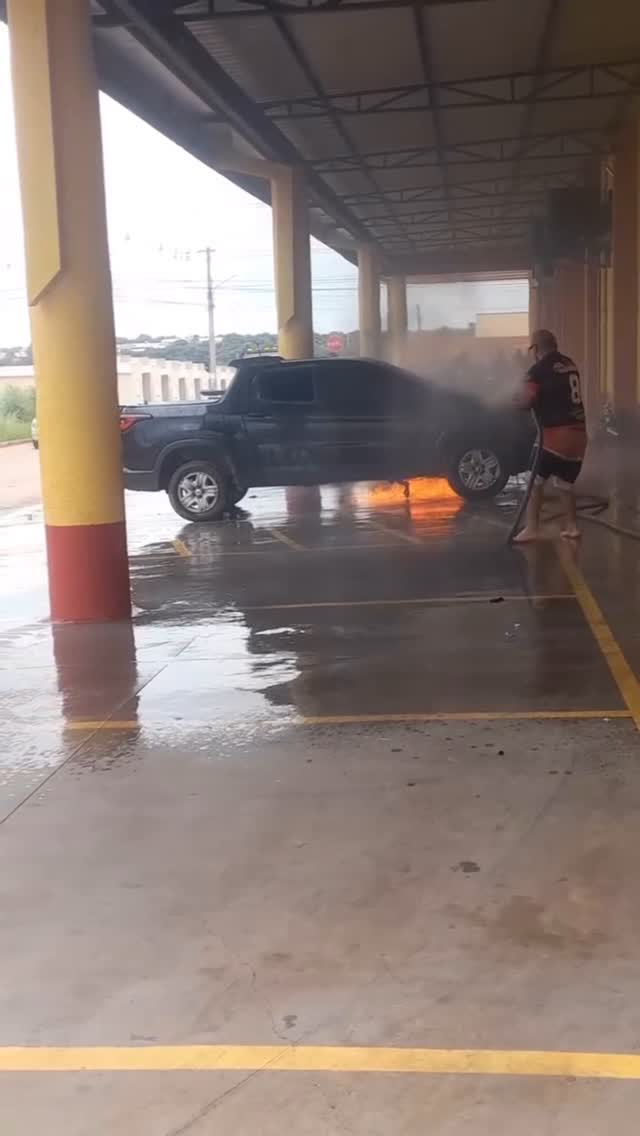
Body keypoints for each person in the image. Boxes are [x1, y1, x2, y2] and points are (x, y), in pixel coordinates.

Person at [514, 328, 587, 542]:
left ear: (536, 348)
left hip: (555, 436)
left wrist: (514, 401)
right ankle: (572, 527)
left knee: (533, 480)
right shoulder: (569, 364)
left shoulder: (537, 371)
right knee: (565, 483)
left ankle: (532, 528)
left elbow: (526, 402)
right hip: (579, 436)